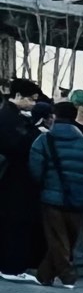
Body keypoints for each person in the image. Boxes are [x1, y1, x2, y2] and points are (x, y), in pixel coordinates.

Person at [28, 93, 83, 287]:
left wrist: (45, 184)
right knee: (69, 237)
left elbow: (35, 169)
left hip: (50, 196)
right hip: (78, 197)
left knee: (57, 238)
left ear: (54, 116)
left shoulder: (43, 140)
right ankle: (46, 275)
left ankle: (65, 274)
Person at [0, 77, 42, 281]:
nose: (34, 104)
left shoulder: (10, 116)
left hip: (11, 177)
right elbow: (18, 146)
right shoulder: (11, 120)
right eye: (31, 99)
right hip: (15, 178)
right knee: (16, 222)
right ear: (18, 96)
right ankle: (12, 267)